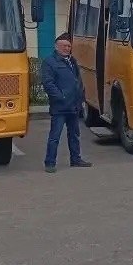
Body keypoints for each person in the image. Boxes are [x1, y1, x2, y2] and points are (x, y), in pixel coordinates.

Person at [40, 34, 92, 173]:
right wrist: (61, 97)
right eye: (64, 46)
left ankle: (76, 159)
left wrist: (81, 98)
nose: (67, 48)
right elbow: (48, 83)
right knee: (55, 136)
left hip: (73, 106)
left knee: (74, 135)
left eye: (69, 46)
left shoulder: (72, 61)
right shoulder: (49, 62)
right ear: (56, 46)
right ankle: (50, 163)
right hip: (60, 107)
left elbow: (77, 81)